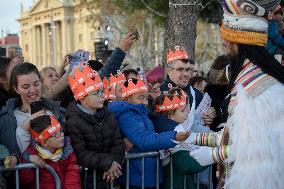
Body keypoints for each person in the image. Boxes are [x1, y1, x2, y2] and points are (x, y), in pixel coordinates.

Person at [189, 1, 284, 188]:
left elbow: (257, 149)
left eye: (226, 40)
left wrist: (213, 155)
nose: (223, 43)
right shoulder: (251, 77)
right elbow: (235, 135)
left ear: (236, 41)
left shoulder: (255, 86)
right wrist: (193, 138)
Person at [108, 78, 189, 188]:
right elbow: (144, 140)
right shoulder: (127, 116)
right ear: (127, 99)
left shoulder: (140, 112)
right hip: (137, 176)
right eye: (140, 97)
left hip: (146, 173)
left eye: (146, 97)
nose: (145, 102)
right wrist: (174, 136)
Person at [64, 65, 125, 189]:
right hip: (88, 180)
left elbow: (118, 142)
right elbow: (80, 153)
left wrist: (114, 164)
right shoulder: (73, 122)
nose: (102, 96)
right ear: (83, 99)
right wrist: (108, 163)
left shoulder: (108, 114)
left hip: (111, 177)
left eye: (102, 91)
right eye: (96, 93)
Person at [0, 62, 65, 159]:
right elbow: (12, 160)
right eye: (26, 87)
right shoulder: (8, 119)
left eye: (36, 84)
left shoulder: (56, 111)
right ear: (16, 89)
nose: (33, 90)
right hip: (27, 173)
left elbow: (67, 149)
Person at [152, 88, 207, 189]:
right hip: (177, 182)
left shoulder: (163, 125)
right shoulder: (175, 130)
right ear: (170, 114)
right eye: (182, 111)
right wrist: (213, 154)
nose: (187, 114)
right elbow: (187, 164)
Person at [20, 115, 81, 189]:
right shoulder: (31, 155)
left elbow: (73, 179)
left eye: (61, 130)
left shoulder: (68, 152)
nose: (62, 135)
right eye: (55, 134)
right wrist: (27, 162)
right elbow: (24, 181)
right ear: (45, 142)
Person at [160, 46, 216, 128]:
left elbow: (206, 117)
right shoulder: (160, 93)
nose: (186, 74)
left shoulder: (196, 94)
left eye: (188, 70)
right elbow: (160, 124)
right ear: (169, 71)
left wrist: (209, 115)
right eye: (180, 69)